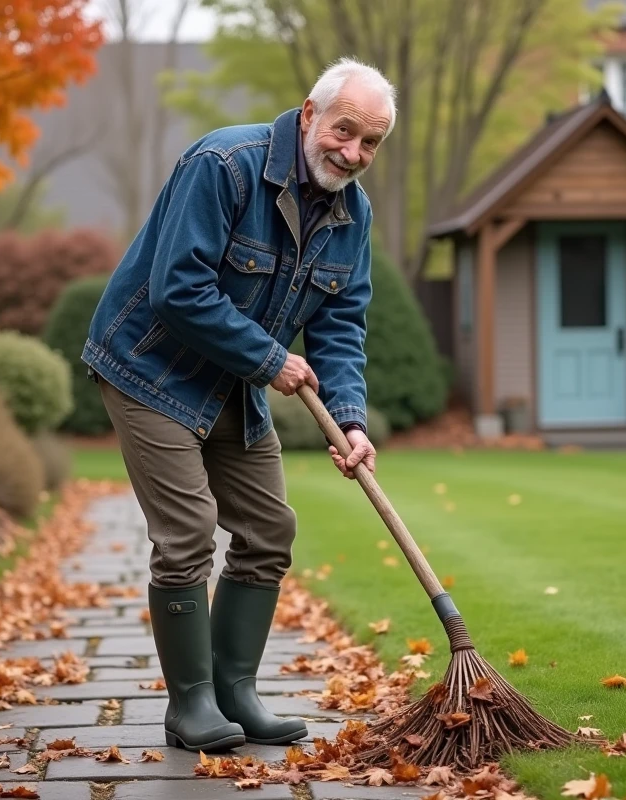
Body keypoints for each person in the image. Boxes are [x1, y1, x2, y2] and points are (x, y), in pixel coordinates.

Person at [79, 57, 396, 753]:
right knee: (188, 530)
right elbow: (180, 288)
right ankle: (190, 705)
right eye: (345, 130)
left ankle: (235, 693)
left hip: (231, 383)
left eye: (371, 143)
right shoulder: (224, 164)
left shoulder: (353, 215)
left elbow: (342, 325)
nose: (354, 152)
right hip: (148, 368)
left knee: (267, 529)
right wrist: (270, 360)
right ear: (310, 114)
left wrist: (348, 420)